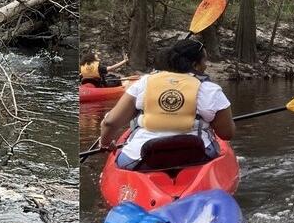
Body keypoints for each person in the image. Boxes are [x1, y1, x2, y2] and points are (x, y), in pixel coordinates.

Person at [99, 39, 235, 170]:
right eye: (204, 60)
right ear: (195, 65)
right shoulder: (210, 90)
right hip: (197, 158)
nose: (206, 65)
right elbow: (226, 134)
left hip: (139, 159)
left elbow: (110, 123)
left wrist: (105, 143)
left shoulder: (144, 82)